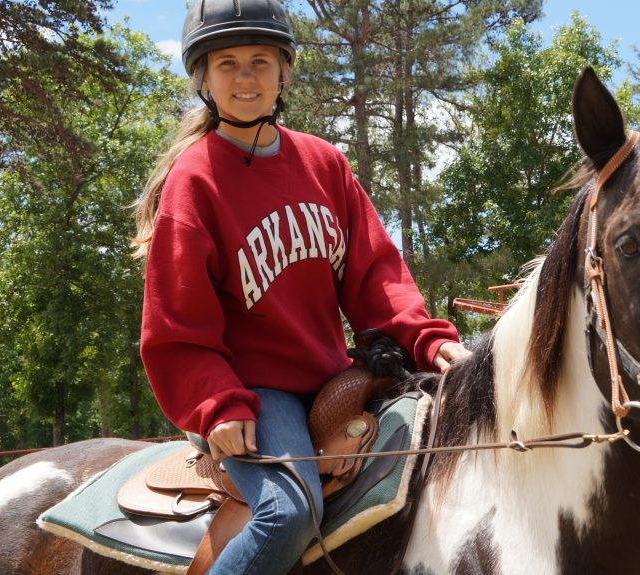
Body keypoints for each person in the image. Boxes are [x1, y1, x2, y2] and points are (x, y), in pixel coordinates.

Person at [132, 1, 470, 573]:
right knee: (287, 512)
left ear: (285, 70)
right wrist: (218, 404)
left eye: (261, 61)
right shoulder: (194, 181)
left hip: (336, 378)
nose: (245, 77)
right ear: (203, 79)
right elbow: (177, 325)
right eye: (228, 63)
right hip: (258, 395)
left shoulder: (325, 163)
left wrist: (429, 341)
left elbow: (375, 275)